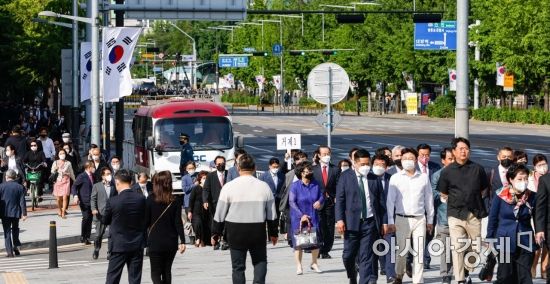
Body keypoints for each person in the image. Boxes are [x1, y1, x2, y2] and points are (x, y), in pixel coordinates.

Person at [212, 153, 278, 284]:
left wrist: (216, 233)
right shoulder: (264, 186)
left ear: (238, 168)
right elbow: (272, 214)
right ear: (254, 168)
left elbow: (219, 214)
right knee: (260, 262)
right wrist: (273, 233)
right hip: (257, 231)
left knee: (238, 267)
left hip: (235, 231)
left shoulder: (228, 187)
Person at [437, 137, 488, 284]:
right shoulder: (447, 171)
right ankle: (460, 279)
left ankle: (466, 269)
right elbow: (443, 193)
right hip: (455, 215)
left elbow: (484, 189)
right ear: (454, 151)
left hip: (474, 214)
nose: (464, 151)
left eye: (466, 149)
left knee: (476, 248)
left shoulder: (478, 169)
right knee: (457, 248)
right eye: (461, 149)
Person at [335, 149, 387, 284]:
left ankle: (364, 281)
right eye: (362, 164)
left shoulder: (374, 178)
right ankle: (352, 275)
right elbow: (340, 200)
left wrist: (384, 222)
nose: (366, 167)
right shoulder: (345, 177)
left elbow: (381, 203)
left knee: (366, 257)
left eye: (367, 163)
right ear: (355, 163)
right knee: (348, 255)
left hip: (369, 223)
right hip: (351, 223)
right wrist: (339, 220)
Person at [386, 147, 434, 284]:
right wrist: (390, 221)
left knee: (419, 252)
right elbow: (390, 202)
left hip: (419, 219)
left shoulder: (423, 178)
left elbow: (428, 200)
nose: (408, 161)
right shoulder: (395, 178)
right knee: (402, 250)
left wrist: (430, 220)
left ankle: (418, 280)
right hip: (401, 219)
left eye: (411, 158)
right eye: (405, 158)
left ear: (416, 159)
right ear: (401, 160)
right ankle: (399, 274)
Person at [487, 164, 536, 284]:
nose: (523, 182)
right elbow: (493, 218)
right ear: (511, 179)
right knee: (505, 275)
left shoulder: (532, 196)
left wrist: (540, 232)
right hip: (504, 240)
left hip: (526, 240)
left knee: (525, 276)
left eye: (525, 179)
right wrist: (490, 238)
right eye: (520, 179)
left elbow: (538, 217)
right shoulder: (500, 195)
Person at [102, 169, 146, 284]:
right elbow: (145, 219)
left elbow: (105, 220)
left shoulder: (113, 201)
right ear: (131, 182)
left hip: (118, 245)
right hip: (136, 244)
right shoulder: (141, 199)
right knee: (135, 278)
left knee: (112, 278)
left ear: (117, 182)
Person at [145, 171, 186, 284]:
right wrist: (182, 240)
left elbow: (146, 222)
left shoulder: (150, 199)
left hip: (155, 241)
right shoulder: (175, 200)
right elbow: (178, 222)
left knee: (155, 272)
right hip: (171, 241)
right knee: (167, 270)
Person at [289, 160, 324, 275]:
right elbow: (292, 202)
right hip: (298, 217)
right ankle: (299, 266)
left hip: (313, 215)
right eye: (306, 171)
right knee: (299, 243)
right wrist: (301, 215)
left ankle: (314, 263)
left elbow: (322, 196)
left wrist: (319, 201)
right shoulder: (295, 186)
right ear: (301, 173)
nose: (309, 172)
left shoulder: (316, 184)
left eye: (310, 170)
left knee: (315, 241)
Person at [414, 143, 441, 270]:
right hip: (417, 206)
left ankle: (425, 256)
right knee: (418, 233)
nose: (425, 157)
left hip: (432, 205)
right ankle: (422, 258)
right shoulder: (412, 168)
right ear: (417, 154)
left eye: (427, 155)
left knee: (429, 232)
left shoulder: (435, 167)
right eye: (422, 155)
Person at [430, 148, 455, 284]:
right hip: (444, 218)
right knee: (446, 249)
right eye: (450, 159)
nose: (452, 161)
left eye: (454, 158)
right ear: (443, 160)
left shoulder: (464, 173)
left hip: (462, 218)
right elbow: (432, 194)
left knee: (461, 248)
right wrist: (441, 195)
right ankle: (446, 274)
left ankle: (464, 273)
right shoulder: (437, 176)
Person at [371, 153, 396, 283]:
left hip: (390, 218)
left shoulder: (392, 179)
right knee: (377, 247)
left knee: (390, 246)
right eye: (376, 164)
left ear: (386, 167)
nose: (379, 167)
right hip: (373, 219)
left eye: (382, 165)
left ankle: (391, 274)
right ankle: (379, 270)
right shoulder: (367, 179)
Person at [312, 145, 340, 259]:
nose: (326, 156)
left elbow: (339, 185)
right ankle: (318, 248)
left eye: (328, 154)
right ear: (319, 155)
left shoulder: (335, 169)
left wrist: (337, 196)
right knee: (319, 226)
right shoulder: (313, 169)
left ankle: (326, 250)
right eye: (324, 154)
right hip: (317, 202)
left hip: (330, 202)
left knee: (329, 227)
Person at [279, 151, 308, 241]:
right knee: (291, 221)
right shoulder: (290, 174)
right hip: (291, 202)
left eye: (304, 159)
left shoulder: (310, 173)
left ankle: (304, 240)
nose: (302, 162)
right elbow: (283, 188)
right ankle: (292, 240)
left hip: (305, 202)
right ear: (295, 161)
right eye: (299, 159)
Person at [91, 167, 117, 260]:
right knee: (98, 235)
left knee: (111, 234)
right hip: (100, 214)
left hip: (112, 214)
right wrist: (94, 209)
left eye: (110, 173)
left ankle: (110, 252)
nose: (109, 175)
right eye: (107, 174)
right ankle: (96, 249)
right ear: (103, 176)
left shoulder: (114, 186)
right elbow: (93, 199)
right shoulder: (97, 186)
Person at [202, 155, 228, 250]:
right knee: (215, 222)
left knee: (226, 222)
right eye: (219, 164)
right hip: (215, 203)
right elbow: (206, 189)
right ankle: (215, 240)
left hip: (227, 203)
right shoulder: (210, 176)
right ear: (215, 165)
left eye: (222, 163)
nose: (221, 165)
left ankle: (225, 241)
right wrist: (205, 200)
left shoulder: (229, 174)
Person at [0, 169, 27, 257]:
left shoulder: (1, 186)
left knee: (7, 232)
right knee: (15, 229)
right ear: (15, 177)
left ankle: (9, 252)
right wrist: (24, 213)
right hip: (16, 212)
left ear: (6, 177)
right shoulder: (20, 187)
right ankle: (16, 245)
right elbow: (22, 201)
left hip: (4, 213)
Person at [529, 154, 548, 278]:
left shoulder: (547, 178)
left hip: (546, 216)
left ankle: (544, 269)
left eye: (544, 164)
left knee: (546, 245)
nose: (543, 167)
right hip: (533, 215)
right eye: (539, 165)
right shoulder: (530, 178)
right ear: (534, 167)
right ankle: (533, 266)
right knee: (536, 246)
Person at [72, 161, 96, 244]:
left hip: (92, 201)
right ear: (88, 167)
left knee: (90, 219)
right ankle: (83, 236)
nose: (94, 168)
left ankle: (87, 237)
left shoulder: (93, 176)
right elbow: (74, 186)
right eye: (92, 167)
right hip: (84, 201)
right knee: (86, 218)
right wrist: (75, 195)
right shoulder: (82, 176)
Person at [488, 147, 515, 211]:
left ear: (513, 157)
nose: (506, 159)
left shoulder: (517, 171)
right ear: (498, 157)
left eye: (509, 157)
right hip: (495, 208)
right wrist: (488, 206)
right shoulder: (491, 172)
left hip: (512, 208)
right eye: (504, 156)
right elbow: (486, 191)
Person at [188, 171, 210, 247]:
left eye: (207, 178)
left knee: (204, 225)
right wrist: (190, 211)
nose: (205, 180)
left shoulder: (209, 189)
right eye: (204, 178)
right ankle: (198, 238)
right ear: (200, 179)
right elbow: (191, 200)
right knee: (198, 224)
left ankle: (202, 240)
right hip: (196, 210)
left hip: (206, 211)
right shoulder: (196, 188)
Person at [51, 149, 75, 218]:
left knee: (65, 197)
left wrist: (75, 180)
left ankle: (63, 212)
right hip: (57, 181)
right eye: (60, 153)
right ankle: (60, 209)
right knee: (58, 199)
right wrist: (55, 169)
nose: (62, 155)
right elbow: (52, 171)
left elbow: (71, 172)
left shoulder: (68, 163)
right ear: (58, 155)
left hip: (66, 181)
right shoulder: (55, 162)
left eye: (63, 153)